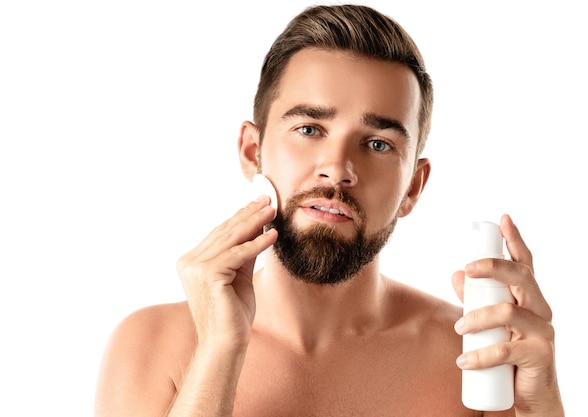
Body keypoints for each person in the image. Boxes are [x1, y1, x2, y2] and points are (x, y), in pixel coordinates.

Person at [95, 4, 564, 416]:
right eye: (309, 129)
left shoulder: (475, 361)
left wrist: (540, 406)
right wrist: (218, 352)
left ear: (413, 187)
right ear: (252, 151)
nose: (338, 169)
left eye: (378, 144)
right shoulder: (150, 347)